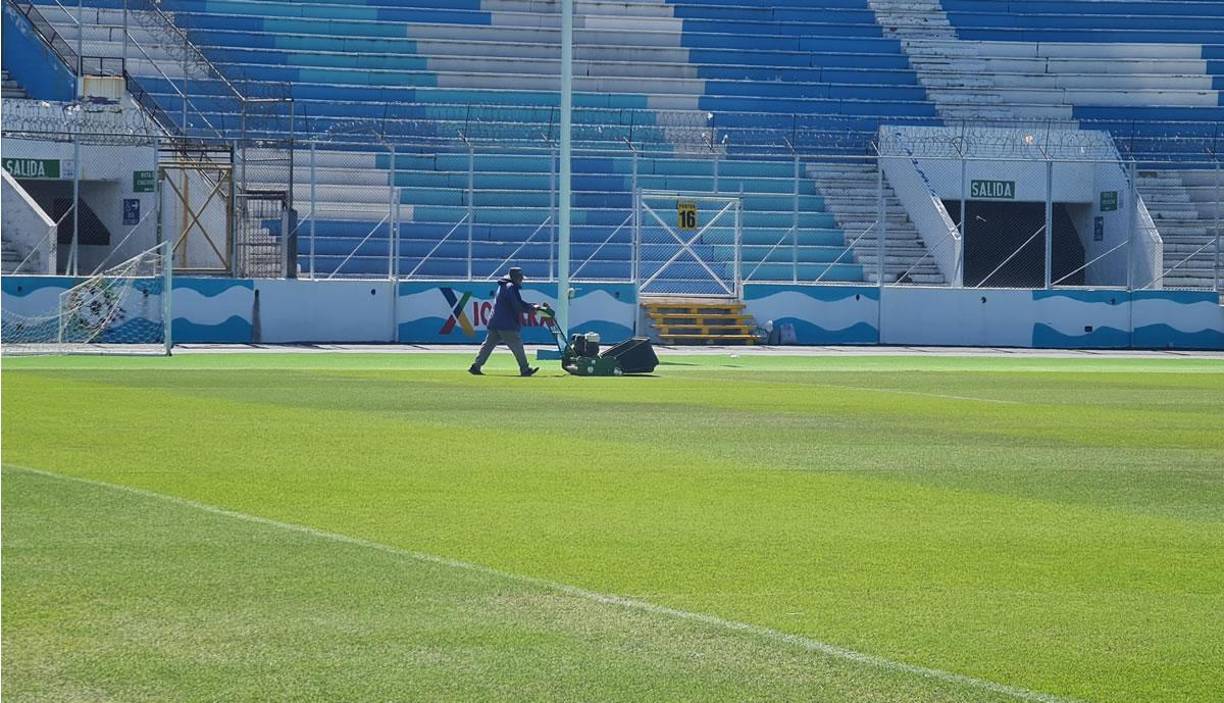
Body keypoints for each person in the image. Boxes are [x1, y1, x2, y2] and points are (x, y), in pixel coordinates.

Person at [469, 266, 548, 376]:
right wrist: (532, 308)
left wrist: (532, 306)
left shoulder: (502, 286)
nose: (521, 281)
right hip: (506, 323)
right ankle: (525, 369)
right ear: (516, 278)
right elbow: (517, 305)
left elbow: (518, 302)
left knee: (488, 345)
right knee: (517, 345)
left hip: (495, 321)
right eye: (520, 278)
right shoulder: (511, 287)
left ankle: (476, 366)